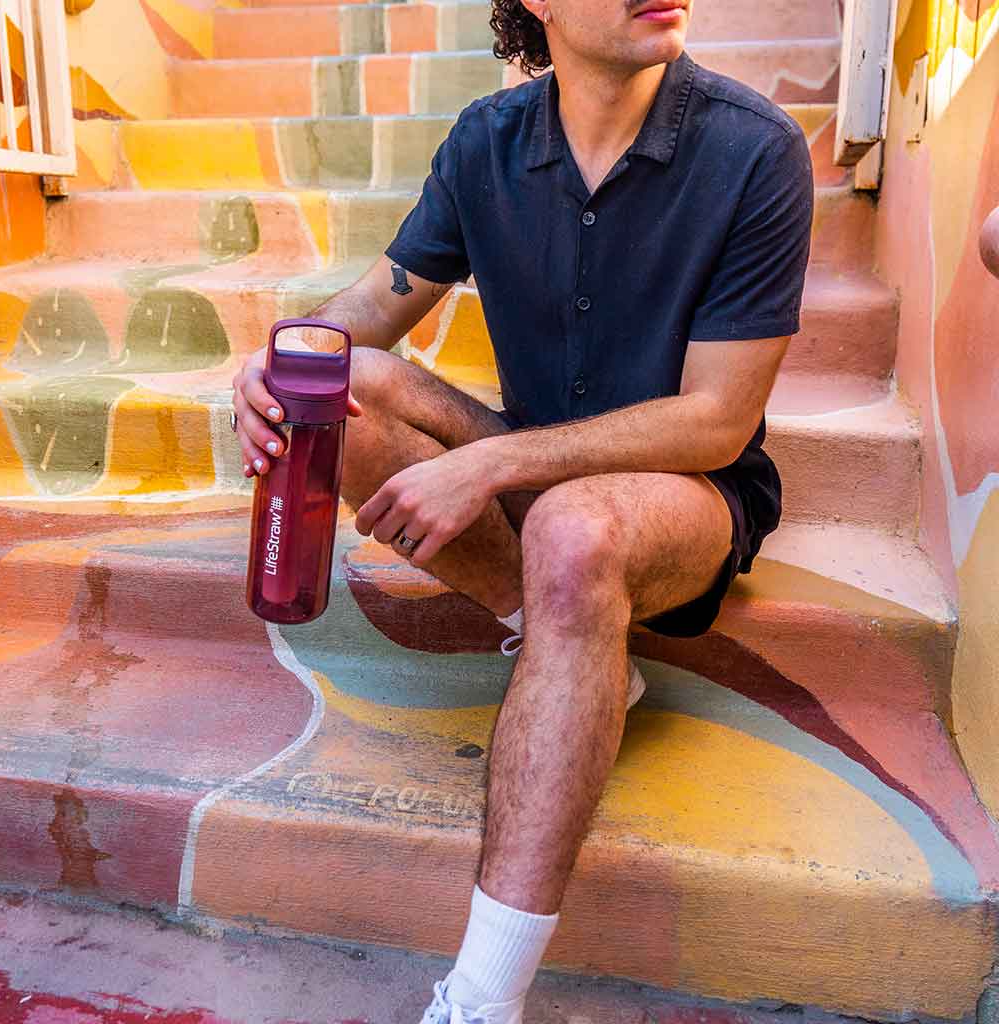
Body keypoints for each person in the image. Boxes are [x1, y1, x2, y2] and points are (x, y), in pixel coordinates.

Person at [231, 0, 814, 1015]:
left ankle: (480, 999)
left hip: (688, 494)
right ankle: (555, 634)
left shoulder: (754, 150)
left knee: (572, 529)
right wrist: (278, 361)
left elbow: (717, 422)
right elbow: (366, 311)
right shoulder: (487, 143)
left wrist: (491, 466)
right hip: (537, 465)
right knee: (340, 386)